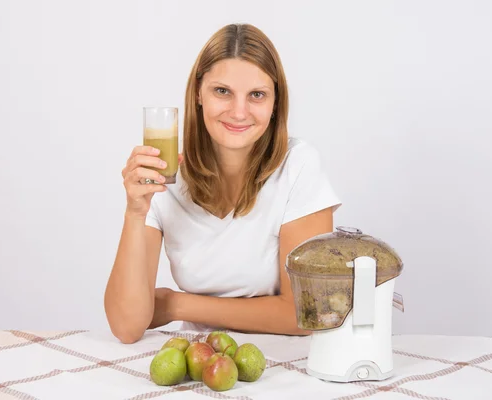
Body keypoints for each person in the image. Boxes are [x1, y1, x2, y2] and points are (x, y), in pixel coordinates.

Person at [104, 23, 341, 344]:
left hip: (287, 360)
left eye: (256, 95)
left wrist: (177, 305)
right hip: (199, 361)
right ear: (199, 93)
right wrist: (135, 212)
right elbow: (127, 326)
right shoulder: (165, 175)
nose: (239, 112)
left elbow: (307, 313)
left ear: (274, 105)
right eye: (222, 91)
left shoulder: (297, 166)